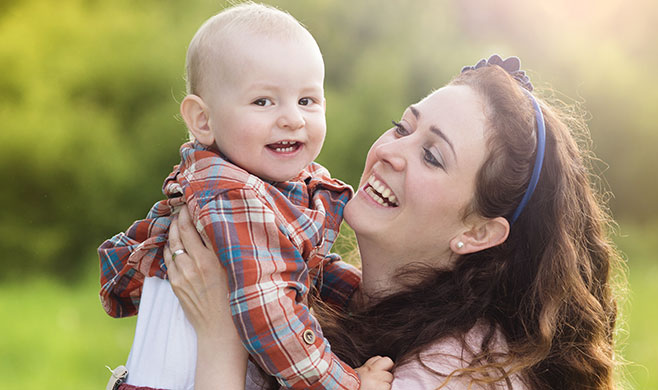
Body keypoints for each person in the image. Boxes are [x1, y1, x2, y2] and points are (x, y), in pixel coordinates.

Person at [166, 55, 624, 389]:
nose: (389, 151)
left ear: (478, 232)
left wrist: (220, 338)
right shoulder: (326, 293)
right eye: (403, 128)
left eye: (431, 156)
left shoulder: (459, 373)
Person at [98, 3, 393, 390]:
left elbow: (304, 267)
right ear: (203, 121)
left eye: (307, 100)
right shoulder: (231, 197)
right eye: (263, 102)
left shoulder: (270, 187)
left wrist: (367, 299)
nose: (293, 118)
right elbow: (272, 317)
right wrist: (346, 384)